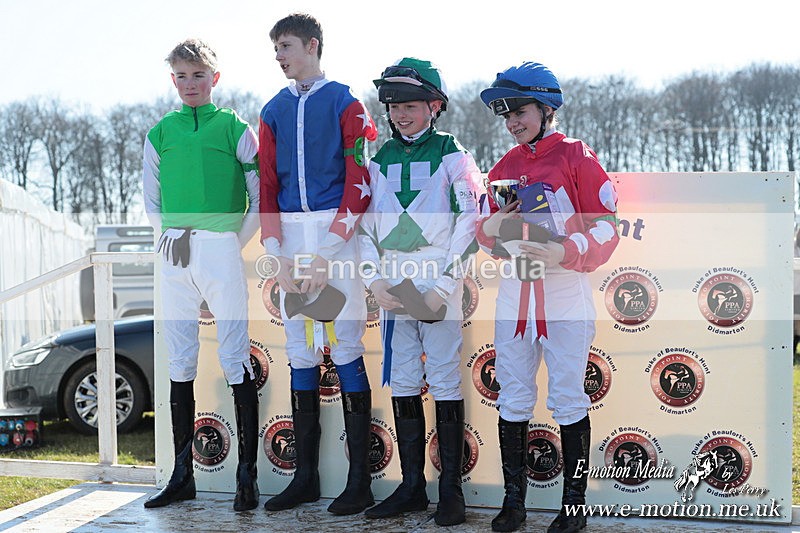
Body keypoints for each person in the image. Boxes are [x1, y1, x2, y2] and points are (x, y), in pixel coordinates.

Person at [476, 62, 619, 532]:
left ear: (546, 107)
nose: (513, 122)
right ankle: (513, 503)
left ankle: (573, 506)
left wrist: (563, 248)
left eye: (519, 111)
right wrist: (493, 228)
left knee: (567, 397)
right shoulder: (502, 167)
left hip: (563, 291)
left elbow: (606, 226)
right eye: (507, 116)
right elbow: (485, 237)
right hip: (516, 291)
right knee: (513, 397)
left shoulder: (577, 155)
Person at [258, 13, 378, 516]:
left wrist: (329, 251)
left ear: (311, 45)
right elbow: (265, 184)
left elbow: (361, 179)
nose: (279, 56)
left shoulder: (347, 102)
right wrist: (275, 253)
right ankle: (304, 477)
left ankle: (360, 482)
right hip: (290, 235)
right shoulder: (271, 109)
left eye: (285, 46)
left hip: (337, 233)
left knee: (345, 343)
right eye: (275, 48)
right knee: (299, 349)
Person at [359, 57, 483, 527]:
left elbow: (470, 224)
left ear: (434, 105)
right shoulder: (379, 161)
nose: (400, 115)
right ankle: (412, 487)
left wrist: (444, 287)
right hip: (394, 284)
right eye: (393, 107)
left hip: (438, 283)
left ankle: (450, 490)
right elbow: (365, 229)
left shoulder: (455, 154)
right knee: (406, 379)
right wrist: (374, 280)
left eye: (410, 105)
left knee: (446, 378)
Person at [141, 38, 261, 512]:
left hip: (220, 250)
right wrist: (164, 235)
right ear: (173, 80)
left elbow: (256, 191)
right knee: (179, 361)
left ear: (215, 77)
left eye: (199, 75)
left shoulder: (235, 127)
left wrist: (233, 243)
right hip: (174, 251)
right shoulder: (159, 133)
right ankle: (182, 475)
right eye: (182, 76)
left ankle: (246, 477)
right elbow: (151, 198)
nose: (190, 84)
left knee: (234, 357)